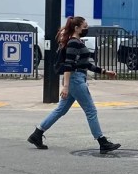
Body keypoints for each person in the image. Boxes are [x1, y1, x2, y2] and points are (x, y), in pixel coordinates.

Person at [27, 16, 121, 154]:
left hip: (75, 78)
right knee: (91, 110)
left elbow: (86, 64)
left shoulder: (77, 42)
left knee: (61, 110)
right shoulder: (73, 43)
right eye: (85, 26)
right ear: (77, 28)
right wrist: (66, 86)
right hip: (75, 80)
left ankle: (37, 134)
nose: (87, 28)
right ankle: (102, 141)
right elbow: (68, 65)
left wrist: (105, 72)